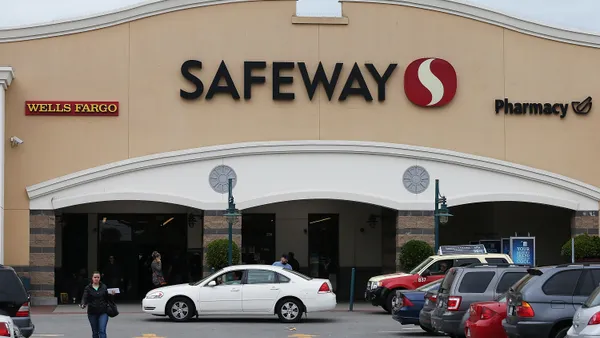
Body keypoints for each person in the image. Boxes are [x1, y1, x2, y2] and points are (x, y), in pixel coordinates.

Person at [80, 271, 116, 338]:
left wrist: (112, 295)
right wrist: (83, 304)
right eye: (95, 277)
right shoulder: (88, 288)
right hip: (92, 312)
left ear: (100, 278)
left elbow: (108, 298)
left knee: (102, 330)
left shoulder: (104, 287)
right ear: (92, 278)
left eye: (98, 277)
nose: (96, 279)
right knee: (95, 332)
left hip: (103, 312)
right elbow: (84, 297)